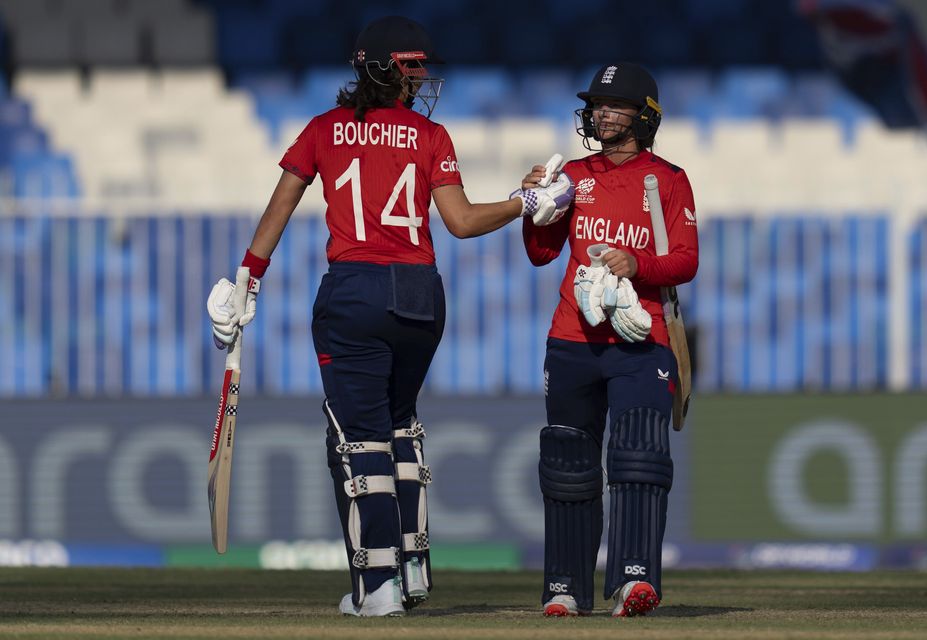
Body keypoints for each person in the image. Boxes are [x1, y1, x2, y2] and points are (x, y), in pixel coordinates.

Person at [206, 16, 573, 618]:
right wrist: (525, 202)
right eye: (410, 71)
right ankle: (411, 565)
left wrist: (248, 279)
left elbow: (281, 205)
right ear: (382, 69)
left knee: (359, 437)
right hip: (422, 295)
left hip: (354, 289)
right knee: (399, 422)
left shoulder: (323, 130)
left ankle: (378, 586)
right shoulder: (430, 136)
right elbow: (460, 223)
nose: (417, 82)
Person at [520, 62, 699, 617]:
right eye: (596, 104)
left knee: (638, 457)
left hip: (641, 341)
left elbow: (686, 261)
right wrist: (534, 208)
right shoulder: (572, 174)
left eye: (614, 105)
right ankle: (564, 588)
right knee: (569, 464)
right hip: (572, 339)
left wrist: (636, 262)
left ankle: (633, 582)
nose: (600, 112)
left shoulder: (668, 179)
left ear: (645, 116)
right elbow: (541, 252)